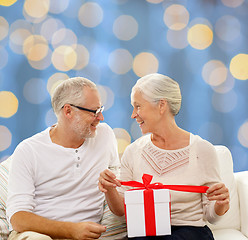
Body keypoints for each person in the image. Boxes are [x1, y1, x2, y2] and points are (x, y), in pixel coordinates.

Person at [98, 73, 230, 240]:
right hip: (146, 232)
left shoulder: (202, 150)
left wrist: (220, 204)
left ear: (161, 105)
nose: (133, 114)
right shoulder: (133, 151)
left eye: (138, 106)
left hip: (190, 233)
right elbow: (121, 212)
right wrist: (109, 190)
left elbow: (211, 216)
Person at [7, 77, 119, 240]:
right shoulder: (29, 150)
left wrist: (110, 186)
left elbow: (118, 195)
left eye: (100, 109)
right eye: (94, 111)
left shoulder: (105, 136)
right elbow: (18, 218)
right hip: (39, 235)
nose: (101, 117)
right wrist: (71, 230)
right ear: (68, 111)